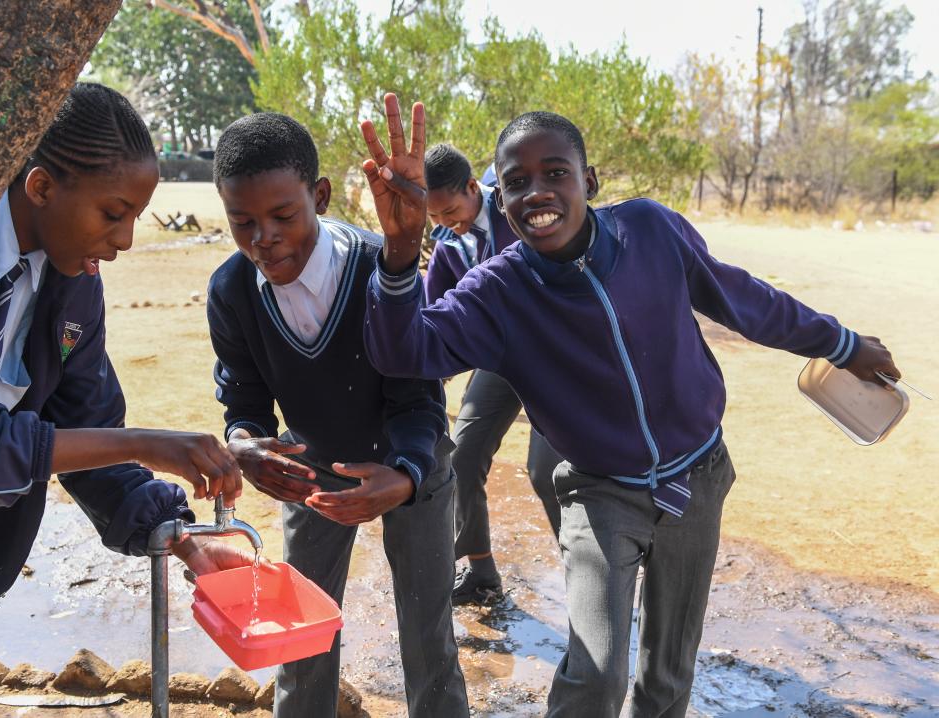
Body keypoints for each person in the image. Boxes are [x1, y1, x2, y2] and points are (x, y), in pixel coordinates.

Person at [357, 96, 900, 717]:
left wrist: (841, 341)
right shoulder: (497, 291)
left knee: (667, 680)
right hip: (598, 492)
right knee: (594, 674)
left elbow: (741, 297)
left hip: (697, 476)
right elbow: (406, 351)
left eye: (555, 173)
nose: (537, 191)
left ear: (588, 181)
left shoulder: (649, 229)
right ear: (499, 199)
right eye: (516, 182)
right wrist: (399, 252)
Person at [0, 83, 248, 612]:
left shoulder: (74, 284)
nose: (127, 240)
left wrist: (184, 538)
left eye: (135, 216)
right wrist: (140, 442)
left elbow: (86, 425)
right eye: (113, 213)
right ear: (42, 187)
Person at [205, 112, 468, 718]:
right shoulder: (232, 292)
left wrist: (404, 475)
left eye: (282, 216)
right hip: (313, 471)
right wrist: (247, 445)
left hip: (415, 466)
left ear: (318, 196)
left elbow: (417, 397)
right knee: (302, 636)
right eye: (242, 222)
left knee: (428, 633)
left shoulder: (385, 266)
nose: (262, 238)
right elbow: (243, 398)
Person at [424, 143, 562, 606]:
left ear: (472, 188)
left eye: (450, 210)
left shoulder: (518, 212)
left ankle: (592, 574)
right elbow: (433, 317)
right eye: (435, 217)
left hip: (555, 357)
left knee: (547, 472)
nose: (446, 223)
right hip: (502, 362)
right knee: (462, 456)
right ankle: (482, 571)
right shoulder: (448, 243)